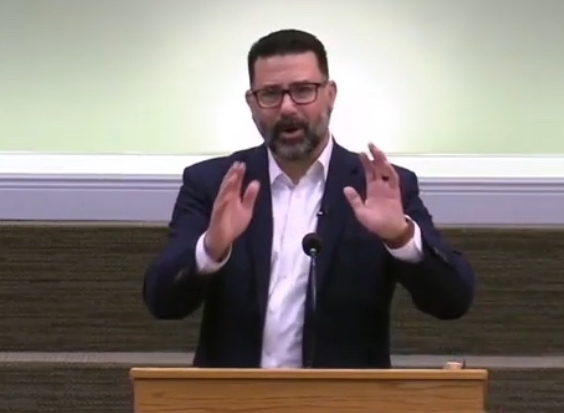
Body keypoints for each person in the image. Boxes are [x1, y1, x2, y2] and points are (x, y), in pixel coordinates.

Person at [143, 28, 475, 369]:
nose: (287, 108)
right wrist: (210, 250)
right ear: (252, 103)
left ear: (330, 95)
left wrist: (400, 237)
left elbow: (453, 301)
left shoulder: (380, 186)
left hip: (343, 397)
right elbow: (162, 302)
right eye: (270, 94)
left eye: (303, 90)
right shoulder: (215, 184)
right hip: (233, 395)